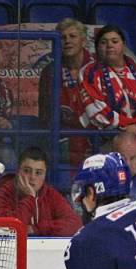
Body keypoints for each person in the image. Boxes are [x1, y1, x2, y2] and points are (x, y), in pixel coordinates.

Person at [79, 26, 136, 147]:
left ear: (123, 45)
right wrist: (131, 128)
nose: (109, 45)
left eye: (115, 41)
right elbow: (97, 111)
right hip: (106, 142)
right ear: (97, 48)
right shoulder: (89, 73)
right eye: (103, 42)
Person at [0, 146, 81, 236]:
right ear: (18, 171)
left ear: (45, 175)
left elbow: (75, 224)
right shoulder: (1, 194)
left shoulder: (50, 194)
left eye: (38, 173)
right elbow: (6, 228)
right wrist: (29, 198)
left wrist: (35, 229)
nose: (32, 177)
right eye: (27, 171)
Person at [38, 18, 93, 166]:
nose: (67, 41)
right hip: (61, 140)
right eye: (63, 37)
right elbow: (45, 114)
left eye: (72, 36)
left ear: (83, 40)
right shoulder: (50, 71)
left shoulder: (97, 69)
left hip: (94, 139)